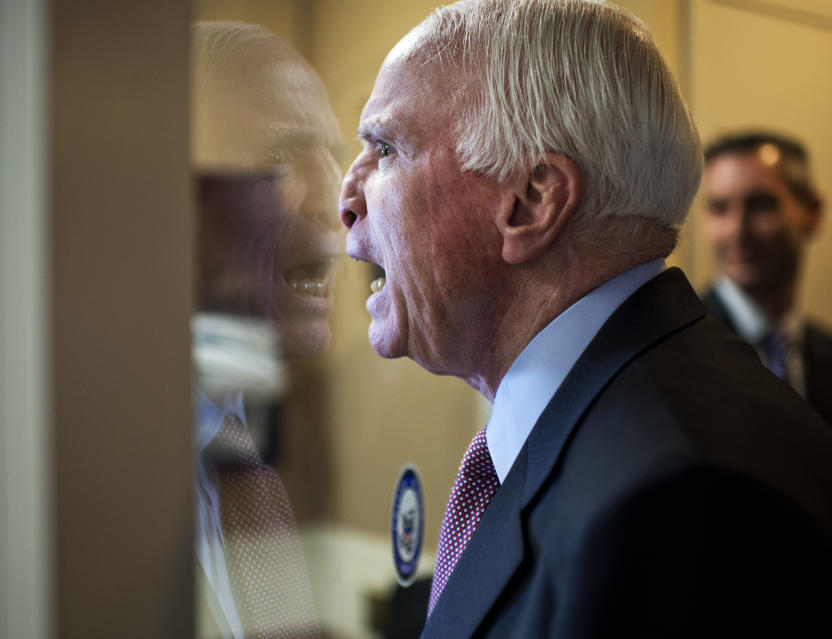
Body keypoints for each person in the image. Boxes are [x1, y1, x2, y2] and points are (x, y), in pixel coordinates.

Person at [337, 1, 832, 637]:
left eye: (385, 148)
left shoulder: (676, 504)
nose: (348, 199)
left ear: (532, 202)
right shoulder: (626, 419)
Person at [192, 21, 343, 639]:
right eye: (279, 156)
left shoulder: (241, 458)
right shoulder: (92, 473)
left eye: (332, 153)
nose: (335, 202)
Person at [700, 131, 831, 424]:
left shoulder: (825, 354)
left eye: (761, 205)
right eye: (720, 208)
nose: (737, 231)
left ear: (813, 210)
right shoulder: (679, 350)